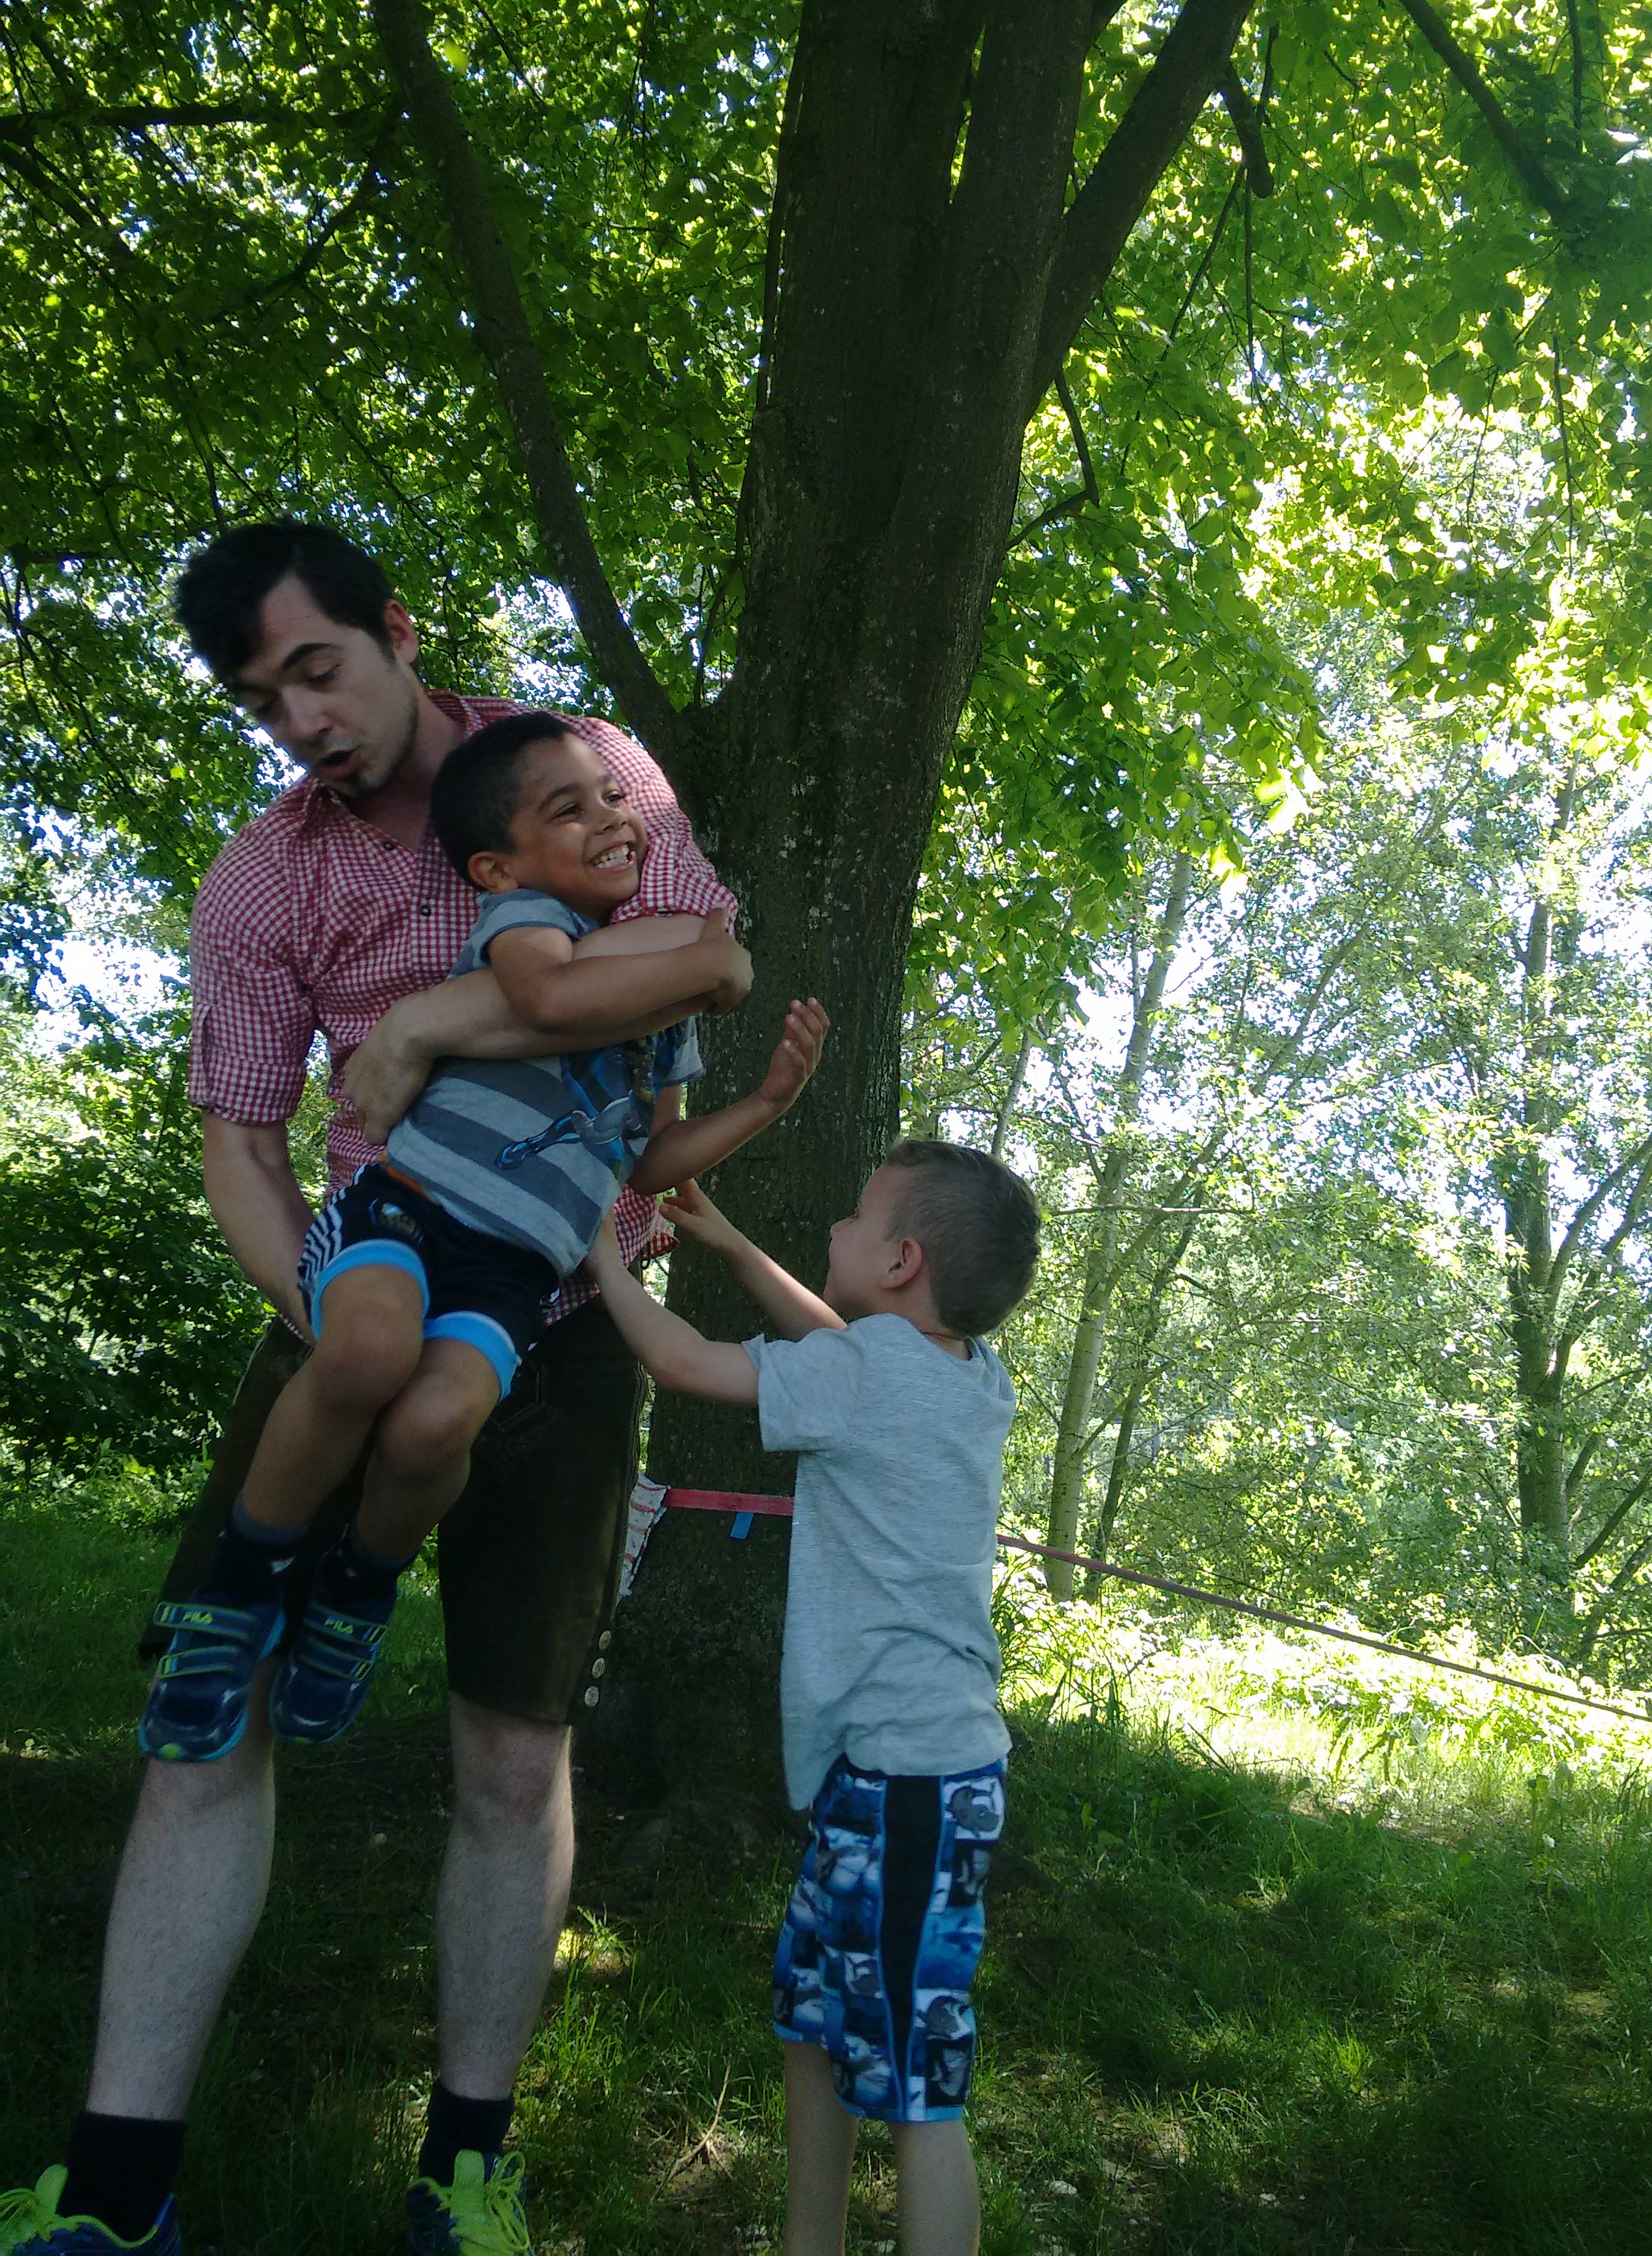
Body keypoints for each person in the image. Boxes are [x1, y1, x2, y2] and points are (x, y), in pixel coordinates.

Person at [2, 521, 750, 2256]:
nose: (299, 721)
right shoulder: (262, 883)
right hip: (365, 1283)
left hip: (565, 1317)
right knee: (216, 1711)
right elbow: (240, 1139)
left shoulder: (585, 775)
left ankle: (463, 2178)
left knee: (511, 1742)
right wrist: (338, 1305)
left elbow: (702, 962)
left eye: (316, 670)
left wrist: (422, 1031)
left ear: (396, 632)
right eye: (264, 701)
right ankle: (114, 2199)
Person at [138, 708, 828, 1765]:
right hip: (409, 1209)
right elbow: (564, 994)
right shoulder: (527, 927)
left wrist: (768, 1104)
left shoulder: (665, 1015)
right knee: (363, 1353)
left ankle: (359, 1588)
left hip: (515, 1267)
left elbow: (648, 1164)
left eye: (613, 796)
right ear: (498, 866)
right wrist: (715, 962)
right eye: (574, 806)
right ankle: (240, 1586)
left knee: (437, 1424)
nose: (615, 817)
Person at [586, 1141, 1041, 2256]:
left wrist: (602, 1263)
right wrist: (736, 1246)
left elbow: (690, 1364)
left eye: (852, 1216)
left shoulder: (866, 1376)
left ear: (898, 1260)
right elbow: (843, 1347)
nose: (830, 1230)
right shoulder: (967, 1374)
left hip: (910, 1783)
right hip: (909, 1775)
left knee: (918, 2087)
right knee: (811, 2018)